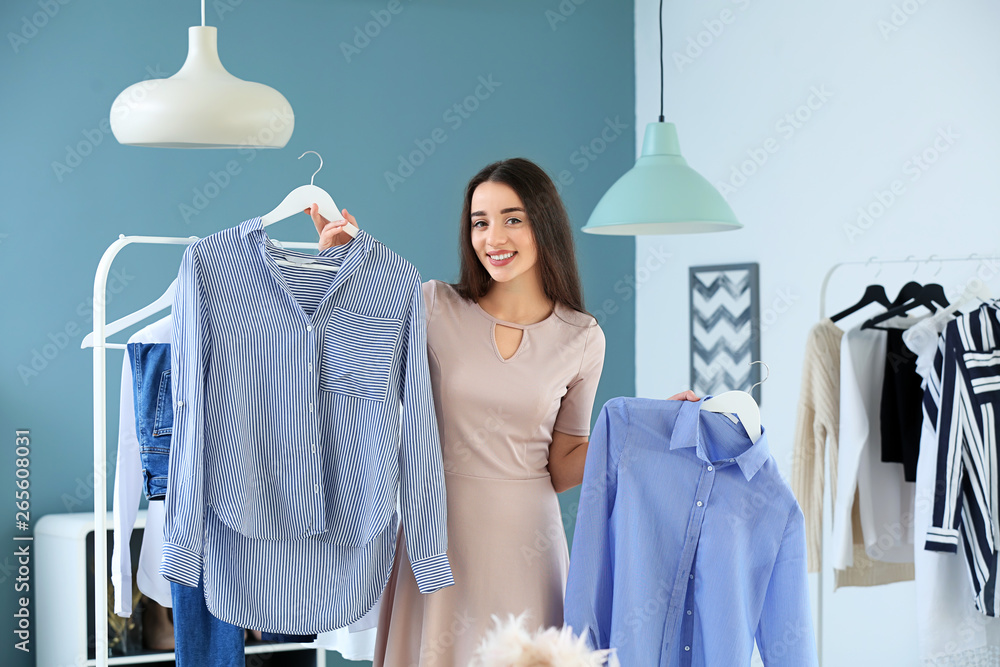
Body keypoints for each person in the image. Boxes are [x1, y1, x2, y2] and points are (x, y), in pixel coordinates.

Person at [308, 158, 697, 665]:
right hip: (436, 534)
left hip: (529, 544)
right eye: (480, 221)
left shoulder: (582, 337)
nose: (494, 236)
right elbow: (349, 361)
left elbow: (562, 464)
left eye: (513, 218)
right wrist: (346, 266)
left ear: (544, 223)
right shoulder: (432, 306)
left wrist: (645, 432)